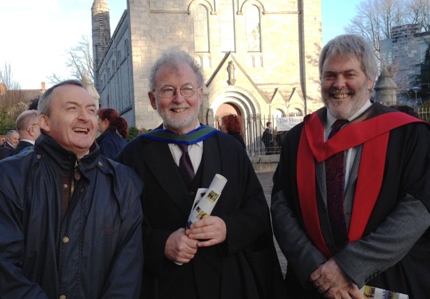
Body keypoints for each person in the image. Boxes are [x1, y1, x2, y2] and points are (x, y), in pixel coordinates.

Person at [271, 34, 430, 299]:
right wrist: (316, 270)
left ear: (369, 80)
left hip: (385, 279)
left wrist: (348, 267)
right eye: (330, 75)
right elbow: (281, 206)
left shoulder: (408, 135)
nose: (338, 84)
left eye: (349, 74)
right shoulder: (299, 138)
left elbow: (419, 209)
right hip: (314, 283)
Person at [117, 48, 284, 299]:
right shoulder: (132, 157)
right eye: (167, 90)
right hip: (164, 287)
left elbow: (258, 213)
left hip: (227, 283)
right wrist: (160, 244)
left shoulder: (231, 150)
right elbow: (117, 228)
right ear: (153, 100)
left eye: (187, 89)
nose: (178, 99)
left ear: (200, 94)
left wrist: (228, 227)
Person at [0, 80, 144, 298]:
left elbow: (127, 270)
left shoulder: (123, 182)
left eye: (91, 111)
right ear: (44, 122)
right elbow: (5, 267)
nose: (85, 117)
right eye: (72, 108)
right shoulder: (10, 177)